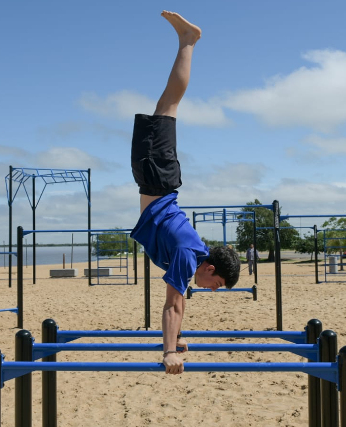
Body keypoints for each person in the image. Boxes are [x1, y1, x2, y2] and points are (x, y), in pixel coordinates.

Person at [129, 11, 241, 375]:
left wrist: (176, 340)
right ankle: (188, 41)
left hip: (157, 182)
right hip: (158, 180)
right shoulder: (185, 254)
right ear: (209, 268)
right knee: (169, 106)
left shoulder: (191, 258)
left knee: (167, 106)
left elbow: (180, 302)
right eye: (217, 284)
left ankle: (187, 41)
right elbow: (173, 305)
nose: (211, 289)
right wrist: (168, 354)